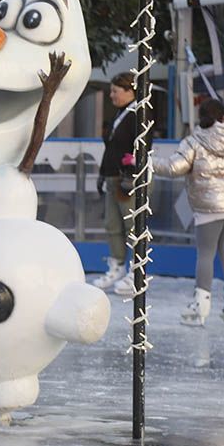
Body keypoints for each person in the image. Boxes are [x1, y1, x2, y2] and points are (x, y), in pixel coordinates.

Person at [152, 98, 224, 327]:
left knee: (206, 254)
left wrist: (147, 162)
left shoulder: (193, 141)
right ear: (223, 116)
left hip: (208, 207)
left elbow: (175, 167)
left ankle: (200, 305)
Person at [92, 72, 138, 295]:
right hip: (113, 177)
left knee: (132, 227)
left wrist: (131, 175)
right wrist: (102, 174)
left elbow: (142, 149)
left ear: (130, 91)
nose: (111, 95)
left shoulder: (138, 114)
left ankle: (136, 271)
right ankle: (118, 265)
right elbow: (111, 148)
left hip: (127, 180)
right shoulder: (121, 113)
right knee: (112, 225)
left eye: (115, 91)